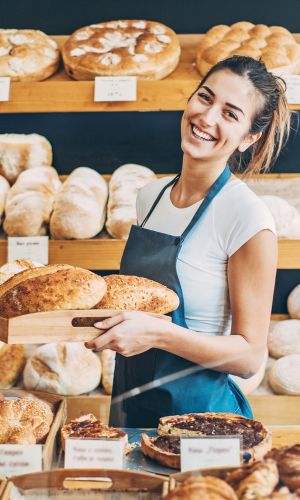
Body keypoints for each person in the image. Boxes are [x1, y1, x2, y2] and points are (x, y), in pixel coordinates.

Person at [85, 55, 291, 428]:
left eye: (230, 114)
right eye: (205, 97)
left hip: (202, 425)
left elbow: (249, 356)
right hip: (132, 409)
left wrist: (158, 333)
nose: (207, 118)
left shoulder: (246, 217)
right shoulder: (149, 197)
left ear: (249, 137)